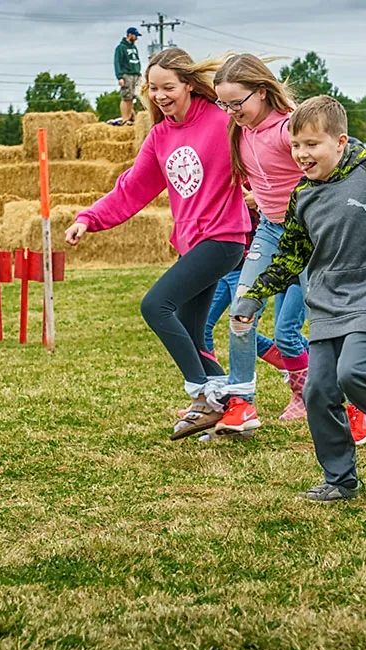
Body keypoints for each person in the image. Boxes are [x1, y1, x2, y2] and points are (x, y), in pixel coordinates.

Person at [231, 96, 366, 502]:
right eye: (296, 145)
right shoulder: (302, 196)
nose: (302, 154)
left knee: (354, 373)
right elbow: (292, 254)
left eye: (312, 144)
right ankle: (340, 478)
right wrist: (254, 297)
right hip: (328, 302)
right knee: (318, 390)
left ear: (341, 141)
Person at [65, 48, 251, 440]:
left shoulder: (222, 122)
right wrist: (88, 218)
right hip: (191, 243)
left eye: (168, 87)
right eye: (153, 89)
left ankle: (202, 395)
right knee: (188, 327)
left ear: (188, 84)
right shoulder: (160, 136)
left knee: (155, 305)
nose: (160, 95)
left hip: (223, 238)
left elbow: (258, 158)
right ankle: (236, 406)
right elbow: (132, 188)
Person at [212, 53, 310, 439]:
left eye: (238, 102)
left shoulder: (288, 130)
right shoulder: (239, 130)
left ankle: (343, 399)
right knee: (241, 312)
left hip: (308, 234)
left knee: (322, 320)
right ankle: (242, 402)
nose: (231, 110)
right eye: (225, 103)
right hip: (269, 230)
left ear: (263, 91)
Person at [111, 27, 143, 126]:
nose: (136, 38)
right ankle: (125, 118)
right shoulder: (121, 47)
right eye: (135, 35)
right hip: (126, 74)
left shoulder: (134, 47)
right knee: (126, 97)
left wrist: (139, 73)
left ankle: (130, 117)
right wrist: (120, 77)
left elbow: (137, 60)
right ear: (129, 35)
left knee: (133, 96)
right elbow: (117, 63)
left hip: (135, 74)